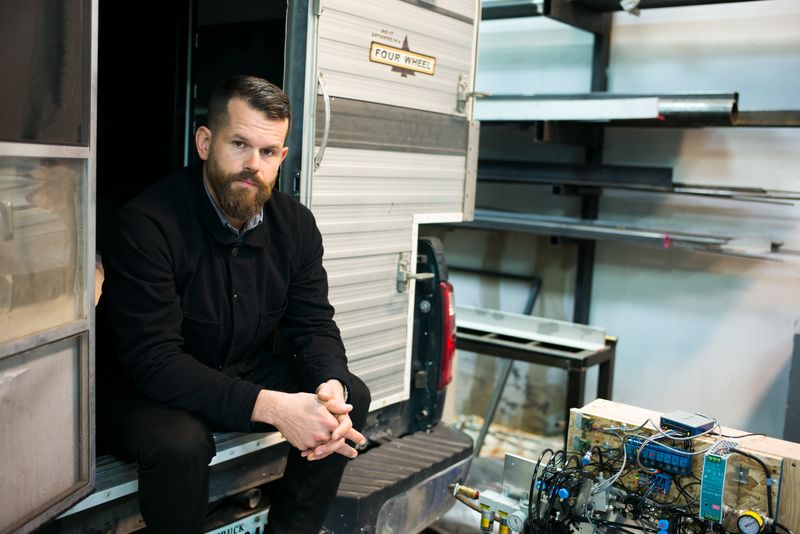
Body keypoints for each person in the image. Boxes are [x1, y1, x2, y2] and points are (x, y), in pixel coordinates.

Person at [95, 75, 370, 533]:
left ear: (282, 158)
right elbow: (154, 360)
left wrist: (329, 386)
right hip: (139, 384)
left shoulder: (296, 225)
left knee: (348, 396)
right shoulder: (147, 223)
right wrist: (276, 408)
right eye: (238, 144)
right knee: (181, 442)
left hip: (233, 366)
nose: (252, 165)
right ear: (205, 142)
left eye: (267, 152)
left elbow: (314, 325)